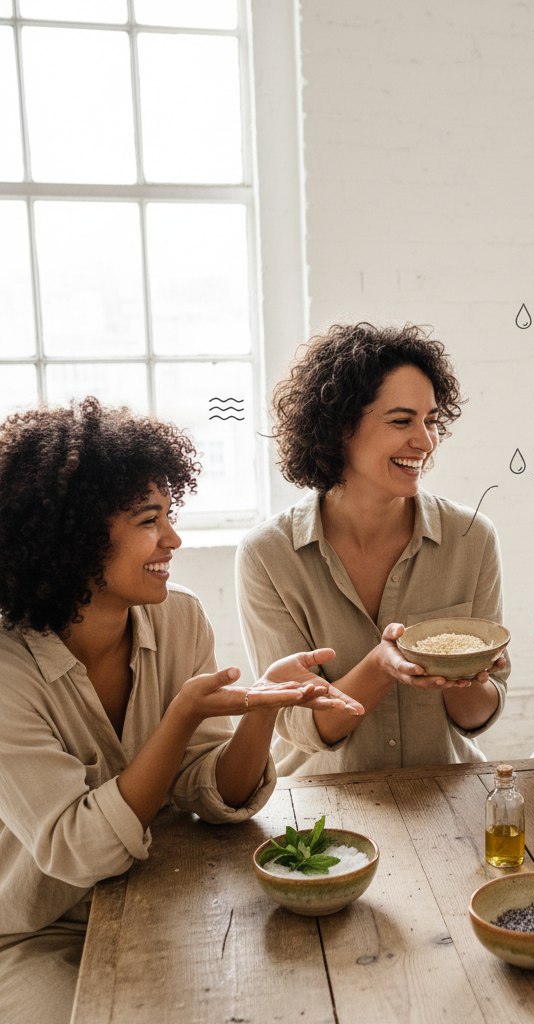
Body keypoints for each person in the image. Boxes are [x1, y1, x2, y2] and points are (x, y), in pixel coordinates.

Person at [0, 399, 363, 1024]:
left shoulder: (180, 617)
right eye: (149, 520)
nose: (173, 538)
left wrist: (260, 708)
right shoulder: (8, 668)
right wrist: (180, 718)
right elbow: (77, 849)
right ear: (74, 537)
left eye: (170, 515)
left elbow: (207, 793)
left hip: (159, 899)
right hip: (38, 931)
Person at [236, 321, 509, 776]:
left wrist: (464, 674)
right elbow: (299, 725)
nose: (425, 441)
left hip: (445, 790)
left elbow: (478, 718)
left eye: (431, 420)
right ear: (339, 427)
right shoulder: (268, 555)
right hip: (322, 807)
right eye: (401, 421)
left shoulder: (472, 537)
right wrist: (381, 667)